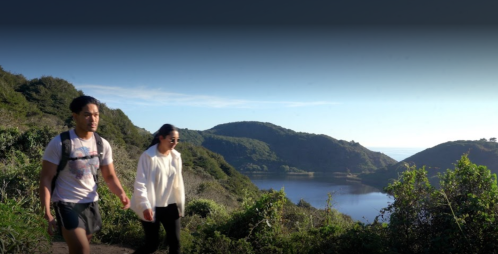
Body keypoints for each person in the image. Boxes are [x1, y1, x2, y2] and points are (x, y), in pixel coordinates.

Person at [39, 95, 130, 254]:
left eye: (96, 115)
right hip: (66, 202)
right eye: (87, 115)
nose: (93, 119)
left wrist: (121, 194)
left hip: (90, 203)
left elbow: (109, 176)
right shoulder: (60, 143)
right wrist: (47, 211)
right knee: (82, 249)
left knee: (80, 248)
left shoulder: (102, 144)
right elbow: (46, 178)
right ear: (75, 116)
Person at [131, 124, 185, 254]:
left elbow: (178, 183)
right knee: (152, 245)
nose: (175, 143)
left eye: (177, 140)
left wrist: (179, 205)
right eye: (172, 139)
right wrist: (145, 205)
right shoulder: (148, 156)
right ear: (161, 137)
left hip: (170, 204)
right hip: (151, 205)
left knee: (175, 244)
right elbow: (140, 183)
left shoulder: (176, 157)